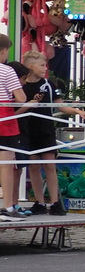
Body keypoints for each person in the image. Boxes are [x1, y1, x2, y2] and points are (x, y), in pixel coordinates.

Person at [17, 51, 68, 213]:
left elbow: (60, 105)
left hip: (45, 129)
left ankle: (55, 202)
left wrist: (77, 111)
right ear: (31, 66)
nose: (45, 68)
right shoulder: (21, 85)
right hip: (28, 130)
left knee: (49, 165)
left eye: (45, 65)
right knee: (33, 167)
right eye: (42, 65)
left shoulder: (48, 84)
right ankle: (39, 202)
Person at [0, 34, 25, 219]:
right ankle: (8, 206)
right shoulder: (7, 71)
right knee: (6, 165)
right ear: (3, 50)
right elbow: (21, 98)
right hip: (5, 120)